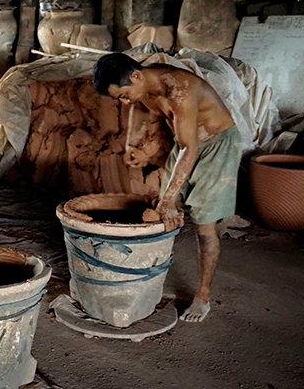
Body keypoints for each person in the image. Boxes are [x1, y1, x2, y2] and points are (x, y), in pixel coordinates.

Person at [93, 53, 242, 323]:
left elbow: (190, 147)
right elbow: (154, 119)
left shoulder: (179, 89)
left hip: (216, 145)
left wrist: (168, 198)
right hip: (185, 145)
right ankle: (149, 277)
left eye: (124, 95)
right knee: (164, 210)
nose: (124, 102)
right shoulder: (144, 87)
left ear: (135, 76)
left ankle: (202, 296)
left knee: (203, 226)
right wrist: (139, 150)